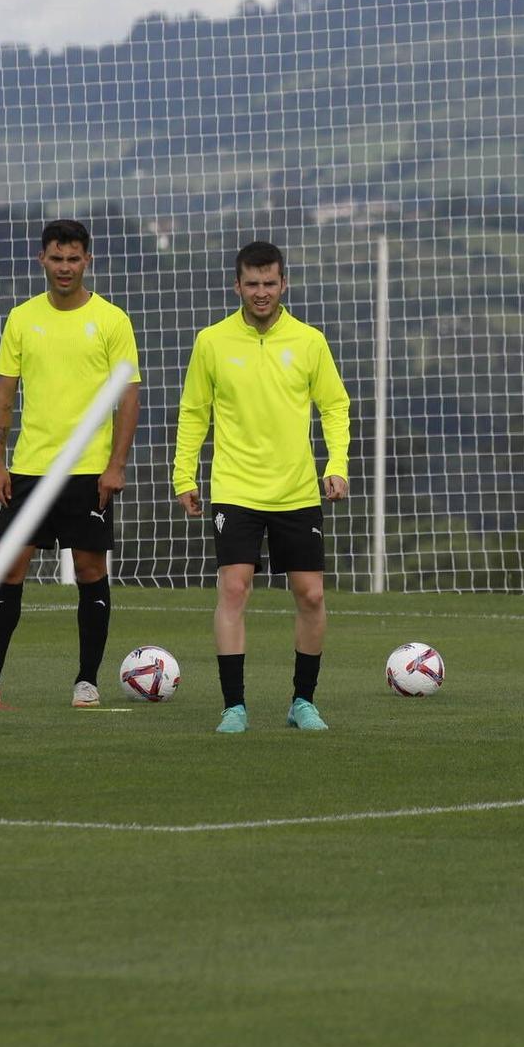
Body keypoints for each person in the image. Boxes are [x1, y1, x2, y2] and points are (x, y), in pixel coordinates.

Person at [0, 218, 141, 710]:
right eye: (57, 258)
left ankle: (86, 682)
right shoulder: (22, 318)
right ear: (42, 260)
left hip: (88, 472)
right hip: (29, 470)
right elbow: (3, 395)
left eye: (74, 259)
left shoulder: (111, 320)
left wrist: (116, 465)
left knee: (91, 570)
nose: (65, 267)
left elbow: (129, 397)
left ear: (87, 260)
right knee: (8, 569)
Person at [173, 240, 351, 733]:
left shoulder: (310, 341)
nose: (261, 292)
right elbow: (193, 413)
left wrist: (338, 464)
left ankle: (302, 702)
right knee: (234, 588)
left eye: (269, 283)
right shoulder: (211, 341)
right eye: (252, 284)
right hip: (235, 489)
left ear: (283, 284)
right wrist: (183, 474)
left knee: (311, 595)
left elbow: (335, 406)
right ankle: (234, 706)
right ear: (237, 286)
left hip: (297, 490)